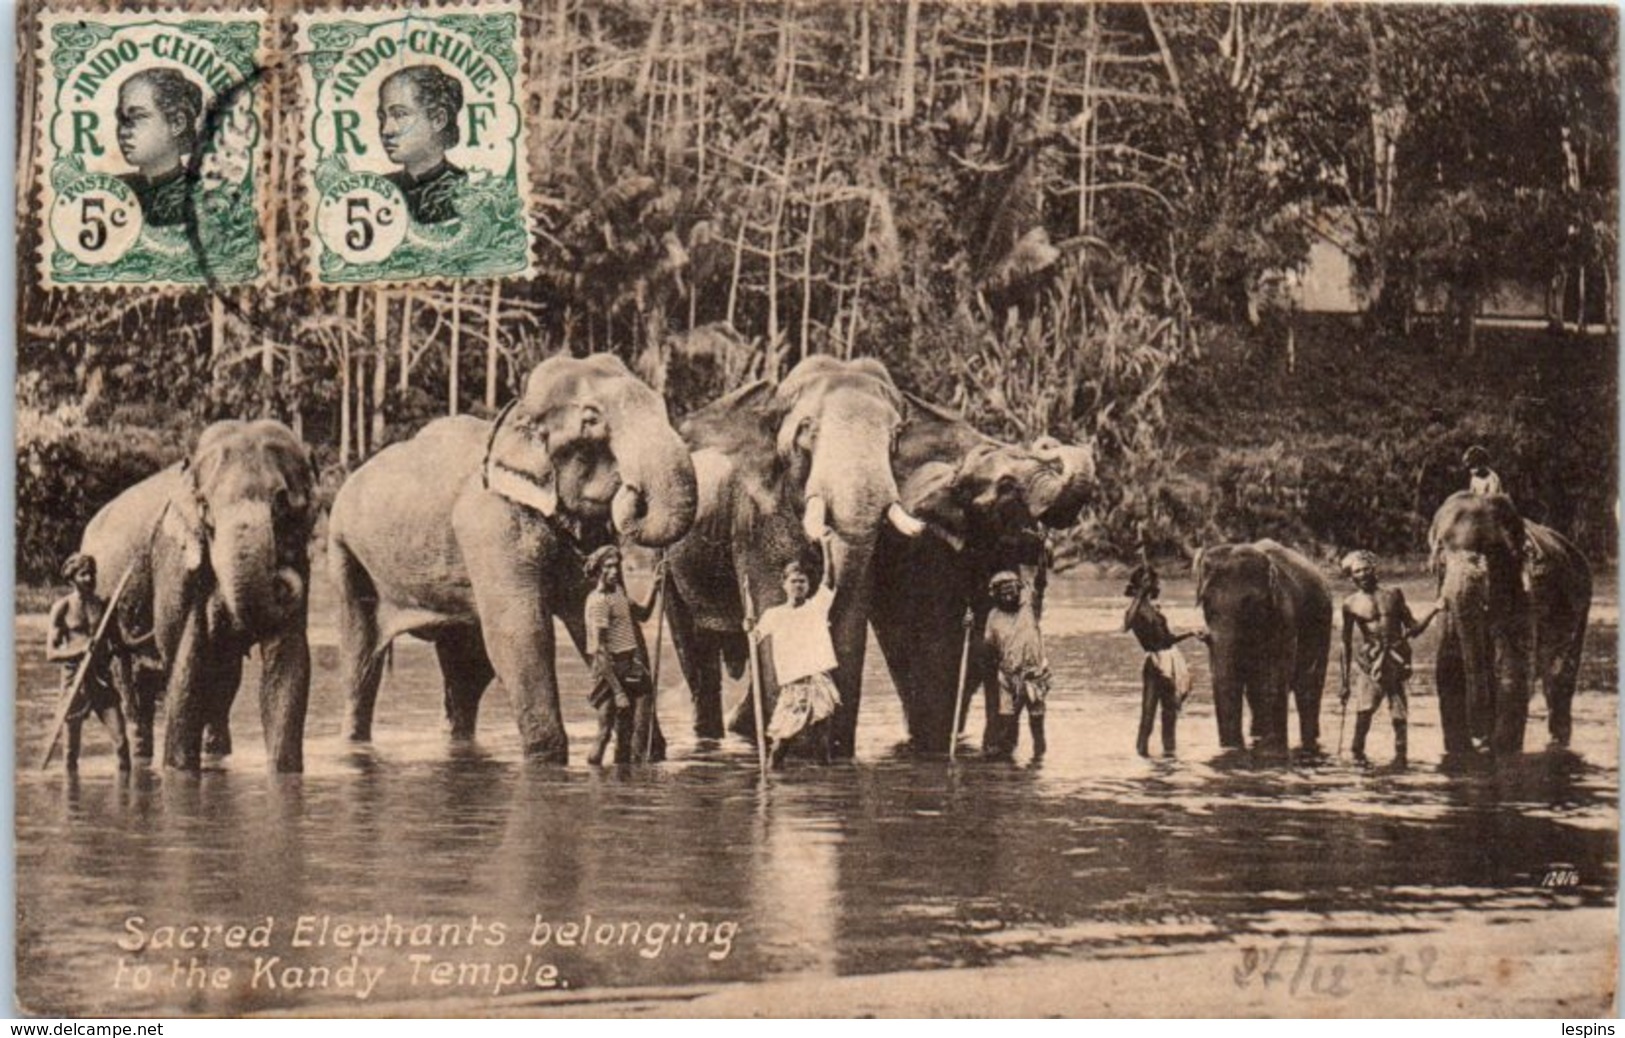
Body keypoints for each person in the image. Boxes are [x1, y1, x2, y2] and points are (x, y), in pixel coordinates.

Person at [1339, 550, 1441, 765]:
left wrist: (1434, 610)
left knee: (1399, 718)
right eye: (1358, 571)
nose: (1363, 574)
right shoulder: (1350, 604)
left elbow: (1413, 628)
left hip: (1396, 662)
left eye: (1367, 569)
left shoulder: (1394, 594)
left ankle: (1401, 758)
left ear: (1375, 570)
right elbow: (1345, 644)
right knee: (1364, 714)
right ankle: (1358, 757)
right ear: (1352, 577)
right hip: (1370, 664)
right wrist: (1345, 682)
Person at [750, 549, 841, 768]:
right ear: (784, 584)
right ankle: (771, 783)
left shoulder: (817, 606)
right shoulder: (774, 615)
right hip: (794, 685)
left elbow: (829, 579)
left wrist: (828, 550)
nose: (798, 585)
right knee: (782, 739)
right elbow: (755, 637)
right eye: (794, 581)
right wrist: (749, 628)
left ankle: (826, 788)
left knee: (822, 739)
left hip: (819, 681)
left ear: (808, 585)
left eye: (803, 581)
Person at [46, 554, 132, 771]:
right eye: (84, 574)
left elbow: (120, 645)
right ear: (72, 578)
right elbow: (51, 653)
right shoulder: (62, 608)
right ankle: (71, 803)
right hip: (74, 684)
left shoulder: (105, 608)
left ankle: (124, 799)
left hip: (102, 682)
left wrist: (143, 643)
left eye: (92, 574)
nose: (90, 578)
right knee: (70, 754)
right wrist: (80, 650)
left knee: (122, 744)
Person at [583, 546, 663, 766]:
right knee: (605, 732)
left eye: (616, 566)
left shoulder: (618, 593)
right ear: (597, 570)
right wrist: (617, 691)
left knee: (627, 733)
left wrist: (654, 586)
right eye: (608, 567)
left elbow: (643, 614)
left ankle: (624, 782)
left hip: (629, 664)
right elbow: (598, 650)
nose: (614, 571)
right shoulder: (599, 602)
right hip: (608, 670)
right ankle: (594, 781)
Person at [1123, 564, 1206, 757]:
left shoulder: (1156, 613)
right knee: (1148, 717)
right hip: (1154, 666)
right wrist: (1140, 594)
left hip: (1169, 663)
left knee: (1170, 717)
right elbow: (1126, 624)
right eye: (1155, 582)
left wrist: (1191, 633)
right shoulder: (1137, 612)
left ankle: (1169, 758)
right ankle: (1142, 755)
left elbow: (1168, 640)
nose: (1158, 585)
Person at [377, 65, 468, 224]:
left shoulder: (469, 191)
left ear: (438, 120)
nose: (386, 130)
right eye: (382, 117)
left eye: (399, 114)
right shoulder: (379, 190)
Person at [115, 69, 201, 227]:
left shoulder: (201, 197)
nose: (123, 131)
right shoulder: (113, 189)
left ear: (177, 124)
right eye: (121, 118)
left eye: (139, 116)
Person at [982, 570, 1051, 760]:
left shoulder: (1030, 608)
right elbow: (989, 647)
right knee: (1008, 721)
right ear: (996, 595)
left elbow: (1040, 584)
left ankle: (1038, 761)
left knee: (1037, 724)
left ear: (1018, 590)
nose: (1008, 596)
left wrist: (1043, 561)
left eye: (1011, 590)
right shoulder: (993, 616)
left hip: (1034, 676)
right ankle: (1009, 761)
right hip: (1008, 676)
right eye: (1003, 592)